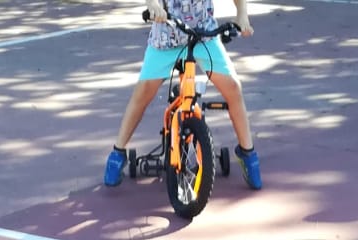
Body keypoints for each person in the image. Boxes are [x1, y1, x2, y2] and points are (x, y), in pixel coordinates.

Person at [103, 0, 261, 191]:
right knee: (143, 92)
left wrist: (242, 14)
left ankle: (247, 152)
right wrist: (153, 6)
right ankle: (118, 152)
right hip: (166, 40)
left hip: (204, 37)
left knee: (233, 87)